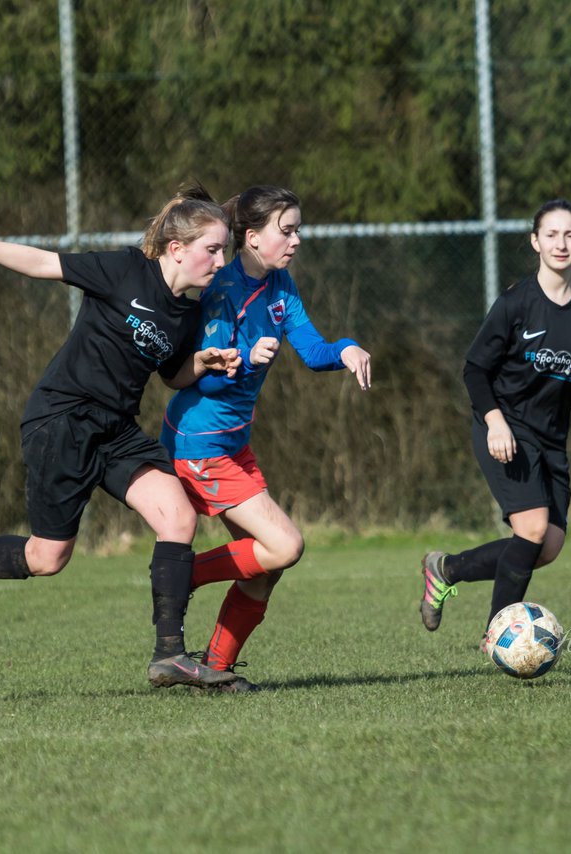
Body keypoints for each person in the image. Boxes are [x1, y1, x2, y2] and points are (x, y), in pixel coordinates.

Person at [0, 185, 244, 690]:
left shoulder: (187, 313)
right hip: (62, 420)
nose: (219, 260)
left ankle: (169, 655)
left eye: (223, 250)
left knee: (178, 516)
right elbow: (41, 263)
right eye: (212, 249)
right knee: (47, 557)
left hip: (116, 431)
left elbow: (171, 374)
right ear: (177, 249)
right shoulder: (124, 270)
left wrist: (202, 362)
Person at [160, 185, 372, 692]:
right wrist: (244, 359)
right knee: (285, 545)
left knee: (264, 568)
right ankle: (177, 576)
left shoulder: (282, 288)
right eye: (287, 230)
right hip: (199, 443)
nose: (296, 240)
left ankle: (215, 667)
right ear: (252, 238)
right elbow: (203, 378)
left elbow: (314, 350)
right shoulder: (222, 290)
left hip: (233, 445)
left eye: (298, 229)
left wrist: (345, 350)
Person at [418, 198, 571, 653]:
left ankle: (445, 570)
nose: (561, 243)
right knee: (532, 528)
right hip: (504, 427)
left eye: (570, 234)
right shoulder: (515, 304)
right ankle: (497, 636)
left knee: (547, 546)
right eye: (551, 234)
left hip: (552, 438)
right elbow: (474, 370)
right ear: (534, 242)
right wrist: (495, 423)